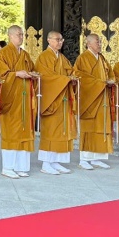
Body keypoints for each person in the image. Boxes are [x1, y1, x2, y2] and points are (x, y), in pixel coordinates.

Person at [0, 25, 38, 178]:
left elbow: (31, 69)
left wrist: (32, 75)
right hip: (11, 99)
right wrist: (17, 74)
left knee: (24, 131)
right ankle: (8, 167)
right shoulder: (2, 54)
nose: (21, 37)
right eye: (18, 34)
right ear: (10, 36)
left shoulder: (25, 54)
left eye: (22, 34)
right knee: (11, 133)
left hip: (25, 99)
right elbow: (0, 75)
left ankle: (21, 167)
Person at [36, 31, 78, 175]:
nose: (60, 42)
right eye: (57, 39)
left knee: (62, 131)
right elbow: (45, 77)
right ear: (48, 40)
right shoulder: (44, 57)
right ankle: (46, 163)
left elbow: (70, 72)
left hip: (63, 100)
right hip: (52, 100)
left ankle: (56, 161)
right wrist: (65, 80)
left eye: (61, 40)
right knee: (51, 131)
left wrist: (73, 78)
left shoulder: (62, 58)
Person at [73, 33, 115, 170]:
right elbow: (79, 76)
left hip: (102, 98)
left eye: (100, 42)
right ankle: (84, 159)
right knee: (89, 129)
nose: (100, 44)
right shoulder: (83, 58)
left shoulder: (102, 58)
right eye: (97, 42)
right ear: (88, 43)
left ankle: (97, 158)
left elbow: (110, 73)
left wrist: (111, 81)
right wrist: (100, 83)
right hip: (90, 99)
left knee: (101, 127)